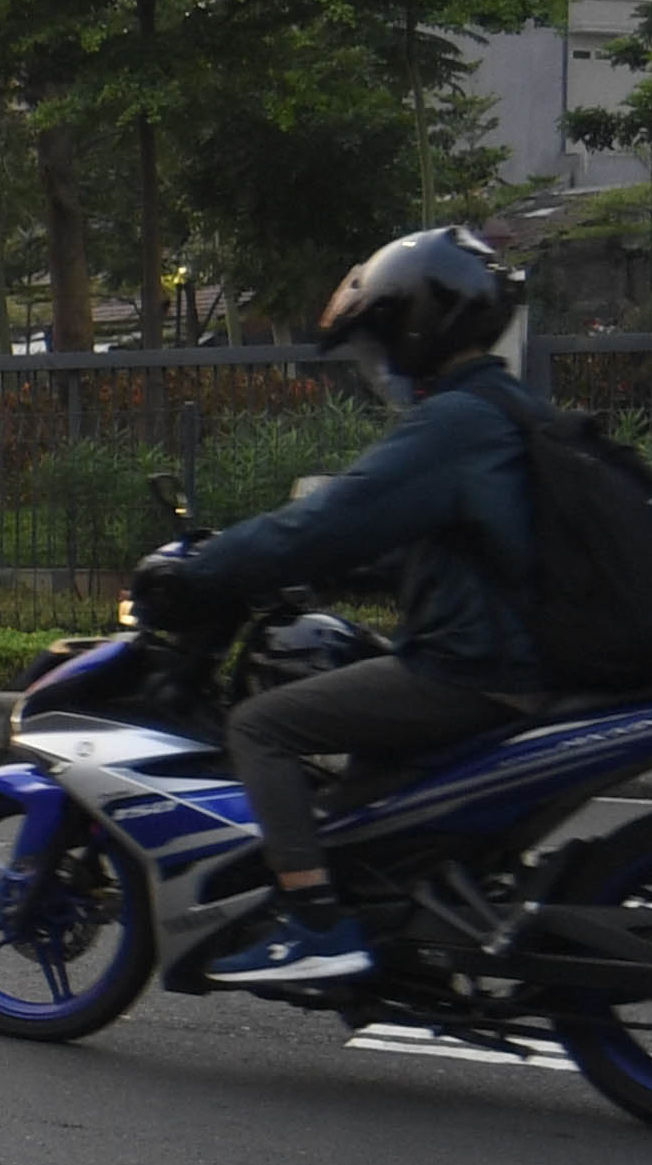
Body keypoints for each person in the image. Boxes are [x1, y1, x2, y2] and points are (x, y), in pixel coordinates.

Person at [134, 227, 545, 988]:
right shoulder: (508, 408)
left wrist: (206, 571)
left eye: (380, 341)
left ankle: (314, 922)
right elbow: (442, 543)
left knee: (261, 725)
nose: (380, 364)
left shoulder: (452, 423)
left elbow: (329, 518)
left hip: (471, 670)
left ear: (420, 328)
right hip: (517, 656)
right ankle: (409, 919)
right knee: (364, 770)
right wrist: (348, 572)